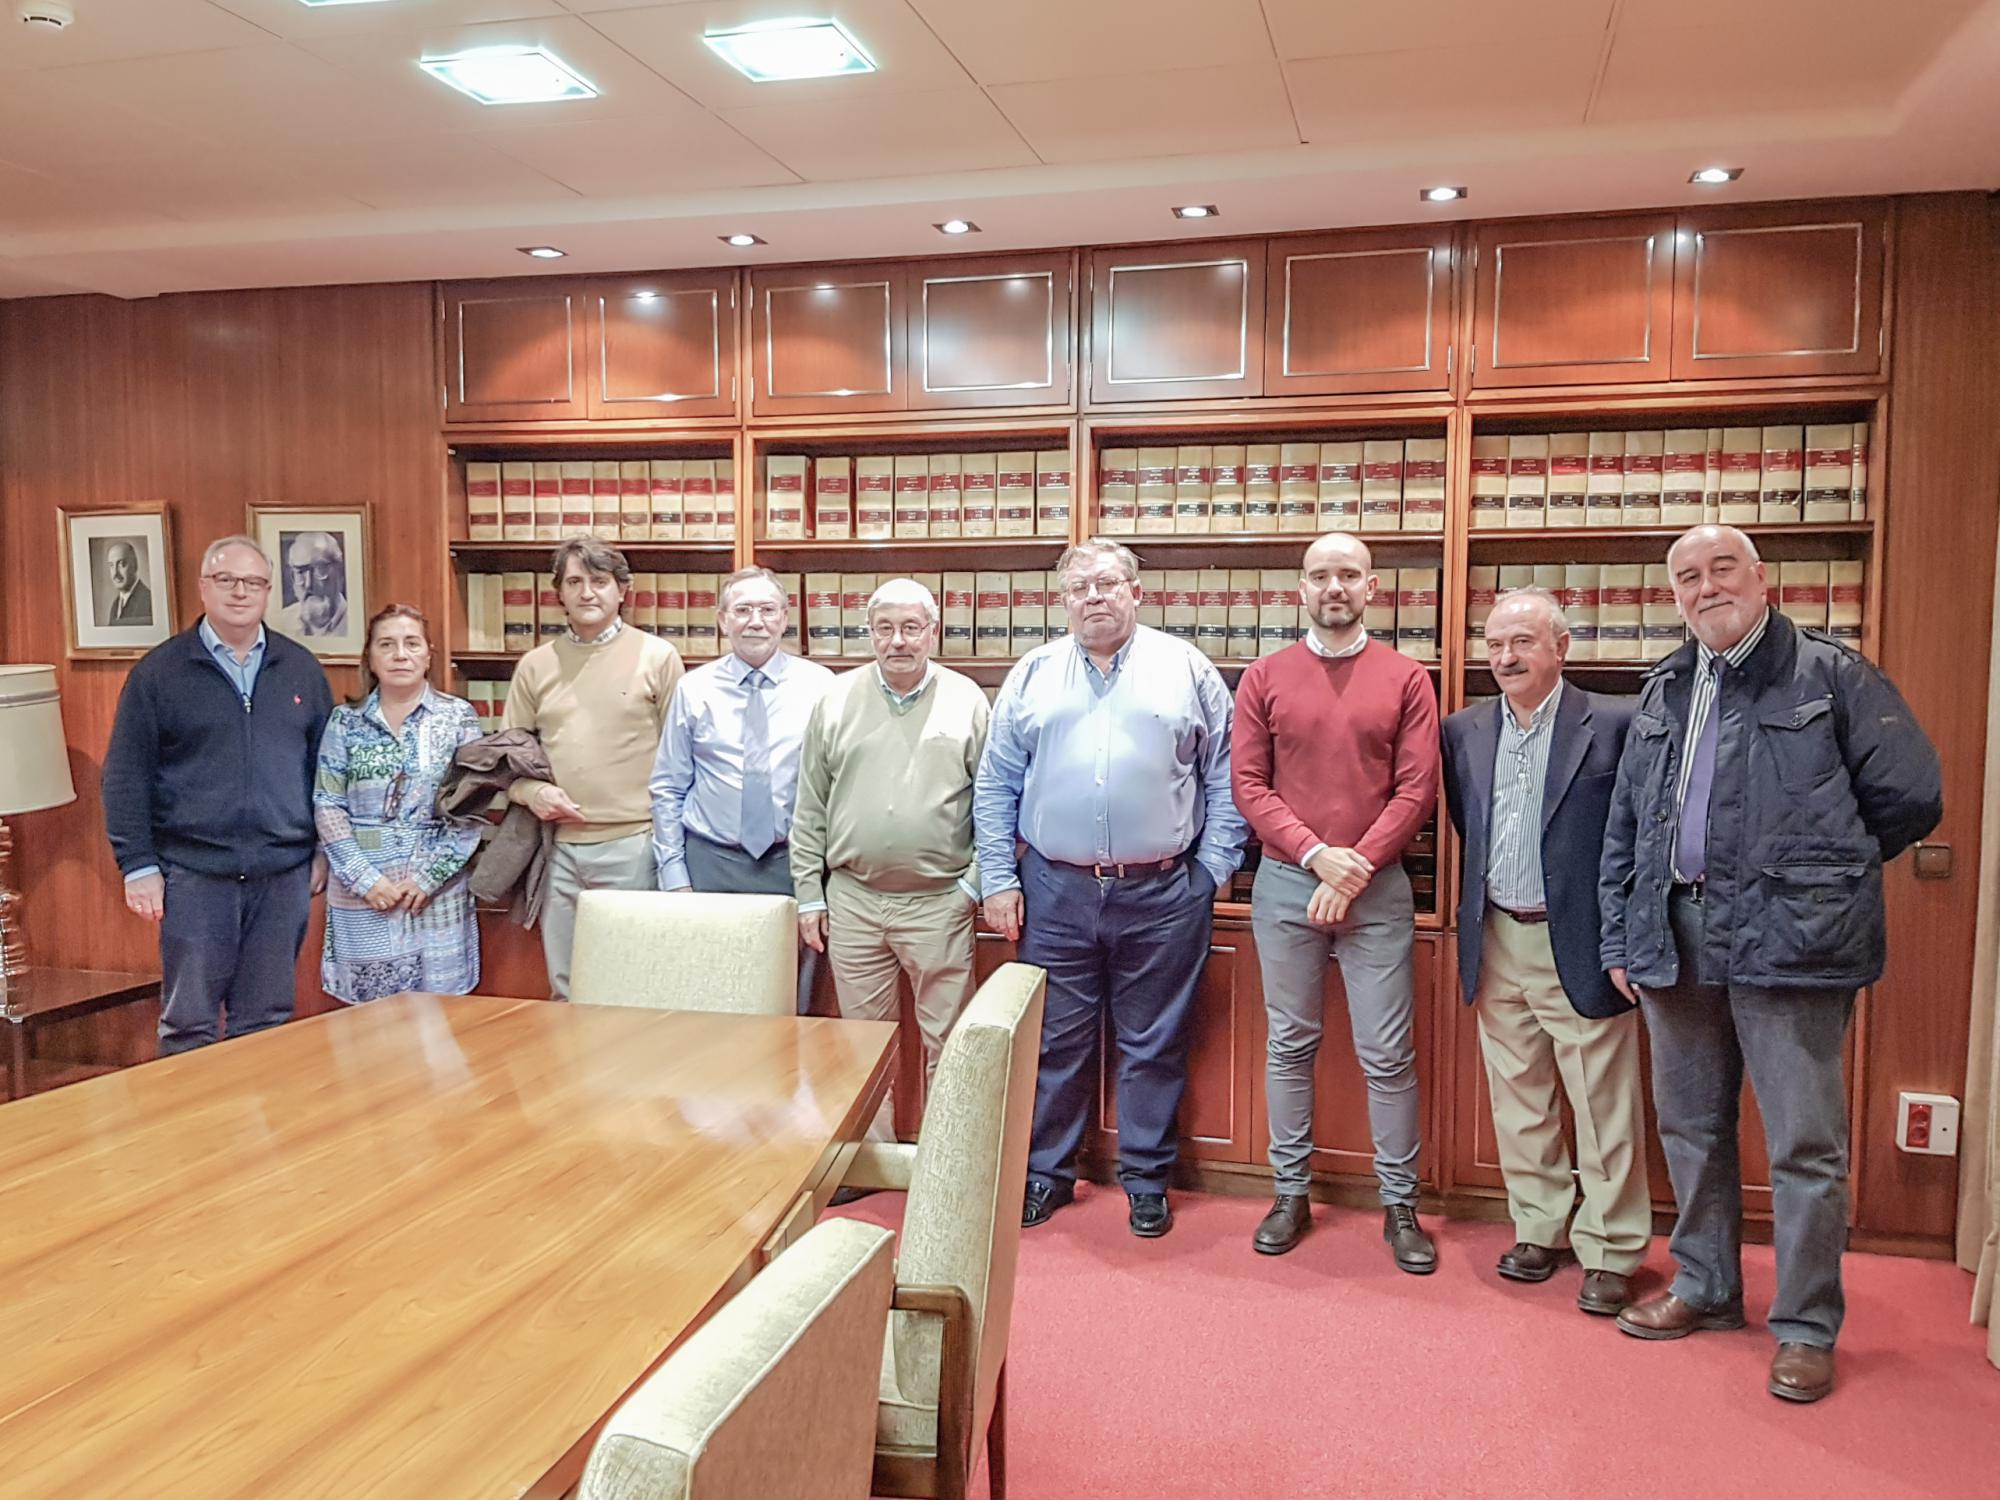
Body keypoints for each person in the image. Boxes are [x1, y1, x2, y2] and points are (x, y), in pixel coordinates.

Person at [1600, 524, 1941, 1403]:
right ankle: (1706, 1285)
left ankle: (1805, 1326)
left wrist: (1819, 872)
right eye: (1687, 577)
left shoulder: (1833, 675)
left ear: (1761, 579)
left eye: (1722, 569)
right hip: (1674, 935)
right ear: (1674, 596)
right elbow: (1627, 825)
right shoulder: (1665, 687)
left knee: (1804, 1145)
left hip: (1794, 941)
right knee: (1690, 1128)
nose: (1705, 587)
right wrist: (1619, 936)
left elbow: (1909, 797)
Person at [975, 538, 1246, 1239]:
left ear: (1135, 592)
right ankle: (1046, 1174)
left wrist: (1210, 871)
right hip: (1054, 891)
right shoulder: (1033, 673)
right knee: (1054, 1042)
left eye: (1106, 584)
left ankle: (1147, 1181)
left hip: (1163, 894)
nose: (1093, 597)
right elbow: (996, 783)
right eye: (1079, 588)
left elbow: (1226, 773)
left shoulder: (1186, 669)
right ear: (1062, 601)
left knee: (1154, 1044)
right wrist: (998, 879)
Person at [1232, 532, 1440, 1271]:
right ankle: (1289, 1193)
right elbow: (1248, 785)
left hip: (1376, 887)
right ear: (1301, 590)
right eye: (1320, 576)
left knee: (1387, 1052)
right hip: (1288, 882)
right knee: (1290, 1045)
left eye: (1348, 574)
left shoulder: (1407, 677)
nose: (1334, 588)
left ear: (1371, 588)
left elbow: (1417, 788)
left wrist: (1354, 867)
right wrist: (1318, 856)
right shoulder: (1264, 676)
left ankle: (1400, 1204)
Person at [1441, 588, 1649, 1314]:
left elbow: (1636, 837)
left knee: (1603, 1104)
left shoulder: (1616, 722)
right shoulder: (1464, 729)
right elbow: (1468, 824)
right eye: (1496, 644)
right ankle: (1539, 1227)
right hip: (1498, 934)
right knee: (1519, 1098)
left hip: (1583, 942)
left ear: (1561, 647)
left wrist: (1625, 939)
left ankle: (1612, 1248)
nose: (1506, 657)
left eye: (1523, 642)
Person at [102, 535, 333, 1055]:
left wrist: (322, 849)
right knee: (189, 1024)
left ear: (269, 591)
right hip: (194, 875)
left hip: (283, 875)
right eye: (226, 580)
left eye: (253, 582)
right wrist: (137, 865)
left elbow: (325, 771)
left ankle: (258, 1112)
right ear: (204, 587)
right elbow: (126, 775)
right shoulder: (159, 674)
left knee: (267, 1019)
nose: (240, 592)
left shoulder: (300, 669)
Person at [791, 578, 990, 1138]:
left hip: (939, 902)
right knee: (863, 1045)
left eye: (910, 627)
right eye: (885, 628)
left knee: (951, 1043)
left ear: (933, 632)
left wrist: (973, 885)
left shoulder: (968, 700)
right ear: (870, 634)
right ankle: (872, 1158)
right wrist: (809, 894)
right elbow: (809, 805)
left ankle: (946, 1159)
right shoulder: (835, 700)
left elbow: (994, 802)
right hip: (853, 901)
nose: (898, 640)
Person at [503, 537, 683, 1001]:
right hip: (557, 849)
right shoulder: (534, 666)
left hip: (635, 846)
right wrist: (532, 793)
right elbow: (506, 762)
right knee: (566, 989)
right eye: (574, 582)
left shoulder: (658, 657)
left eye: (599, 581)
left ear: (623, 590)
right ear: (558, 593)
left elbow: (681, 761)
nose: (587, 593)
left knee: (635, 990)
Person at [652, 566, 834, 1015]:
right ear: (722, 620)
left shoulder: (821, 687)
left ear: (785, 618)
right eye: (743, 610)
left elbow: (836, 784)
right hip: (711, 862)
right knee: (709, 995)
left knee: (792, 997)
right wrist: (675, 878)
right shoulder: (693, 689)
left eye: (768, 610)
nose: (756, 621)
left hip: (792, 862)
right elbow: (669, 787)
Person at [314, 605, 483, 1003]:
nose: (400, 655)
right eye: (386, 645)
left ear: (428, 655)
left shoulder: (458, 718)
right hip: (362, 891)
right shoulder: (344, 721)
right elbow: (328, 804)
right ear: (370, 658)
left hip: (434, 893)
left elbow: (471, 806)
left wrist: (428, 878)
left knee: (439, 1021)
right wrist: (365, 880)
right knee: (370, 1023)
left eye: (412, 644)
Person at [278, 531, 349, 639]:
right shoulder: (281, 622)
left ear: (339, 572)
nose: (308, 584)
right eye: (300, 572)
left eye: (320, 569)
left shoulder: (357, 622)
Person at [105, 541, 153, 626]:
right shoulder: (115, 605)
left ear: (135, 565)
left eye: (121, 564)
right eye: (111, 565)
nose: (115, 573)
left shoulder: (149, 601)